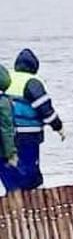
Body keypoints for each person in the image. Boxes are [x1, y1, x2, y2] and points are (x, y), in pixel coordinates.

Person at [7, 49, 64, 191]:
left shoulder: (6, 78)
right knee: (30, 170)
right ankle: (34, 197)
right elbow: (45, 109)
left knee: (10, 169)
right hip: (27, 134)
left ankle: (13, 197)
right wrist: (58, 127)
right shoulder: (33, 82)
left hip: (5, 133)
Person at [0, 65, 19, 194]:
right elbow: (6, 130)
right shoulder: (3, 102)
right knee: (12, 186)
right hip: (1, 153)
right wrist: (10, 153)